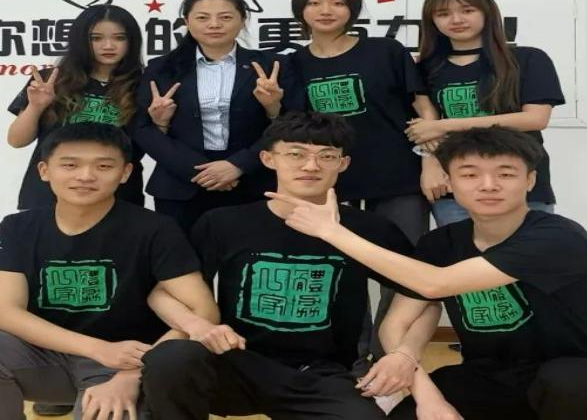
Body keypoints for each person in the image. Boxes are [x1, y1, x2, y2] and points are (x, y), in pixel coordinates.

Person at [283, 127, 587, 420]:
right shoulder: (441, 244)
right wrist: (426, 396)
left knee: (569, 384)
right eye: (470, 174)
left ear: (531, 180)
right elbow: (396, 324)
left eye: (505, 174)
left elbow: (435, 283)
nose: (488, 185)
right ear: (450, 182)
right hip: (492, 375)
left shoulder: (559, 237)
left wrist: (331, 231)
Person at [140, 111, 414, 419]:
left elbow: (420, 289)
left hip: (319, 373)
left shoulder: (369, 228)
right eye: (296, 154)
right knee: (171, 358)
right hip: (235, 362)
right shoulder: (223, 223)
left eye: (326, 156)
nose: (311, 166)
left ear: (343, 163)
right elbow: (162, 292)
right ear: (268, 159)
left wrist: (401, 353)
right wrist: (197, 325)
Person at [0, 123, 215, 419]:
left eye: (103, 166)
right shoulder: (17, 227)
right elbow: (4, 312)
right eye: (70, 165)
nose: (85, 176)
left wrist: (135, 372)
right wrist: (97, 348)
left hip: (123, 363)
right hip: (44, 356)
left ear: (125, 173)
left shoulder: (155, 229)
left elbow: (204, 311)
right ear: (44, 170)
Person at [287, 0, 439, 355]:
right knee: (341, 268)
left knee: (403, 265)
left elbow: (423, 109)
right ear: (301, 11)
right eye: (315, 3)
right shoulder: (293, 63)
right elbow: (291, 125)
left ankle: (390, 357)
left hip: (397, 176)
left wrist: (431, 161)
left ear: (352, 10)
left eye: (337, 2)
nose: (326, 10)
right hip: (329, 181)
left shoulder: (385, 51)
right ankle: (350, 356)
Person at [134, 0, 300, 233]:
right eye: (202, 17)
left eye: (225, 17)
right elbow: (142, 128)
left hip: (252, 182)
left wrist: (240, 164)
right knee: (180, 255)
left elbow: (295, 124)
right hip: (181, 186)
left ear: (242, 20)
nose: (214, 24)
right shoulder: (162, 68)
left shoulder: (272, 65)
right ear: (186, 21)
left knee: (249, 254)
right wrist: (199, 170)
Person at [406, 0, 564, 225]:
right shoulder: (425, 68)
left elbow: (535, 119)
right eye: (443, 14)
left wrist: (444, 125)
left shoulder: (527, 59)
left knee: (529, 248)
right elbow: (425, 126)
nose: (456, 20)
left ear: (486, 13)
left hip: (518, 180)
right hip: (455, 184)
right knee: (462, 249)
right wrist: (430, 165)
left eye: (467, 10)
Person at [7, 4, 147, 209]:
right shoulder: (51, 80)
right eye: (96, 38)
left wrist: (161, 121)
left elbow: (144, 147)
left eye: (119, 38)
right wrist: (35, 107)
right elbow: (16, 141)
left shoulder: (145, 84)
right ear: (81, 40)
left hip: (117, 195)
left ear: (132, 41)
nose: (108, 45)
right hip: (51, 194)